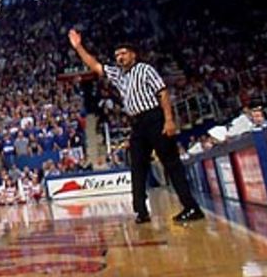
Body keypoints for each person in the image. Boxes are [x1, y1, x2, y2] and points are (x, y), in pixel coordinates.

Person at [67, 31, 203, 224]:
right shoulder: (118, 74)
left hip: (155, 118)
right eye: (117, 56)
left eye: (123, 53)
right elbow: (95, 65)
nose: (119, 58)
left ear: (133, 54)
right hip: (137, 123)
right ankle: (141, 211)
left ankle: (191, 207)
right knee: (137, 166)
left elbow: (162, 93)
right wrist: (78, 47)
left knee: (171, 163)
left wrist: (169, 120)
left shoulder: (145, 69)